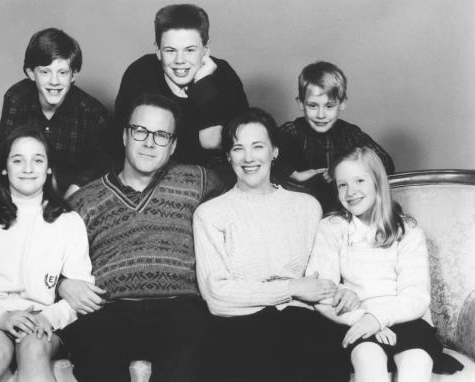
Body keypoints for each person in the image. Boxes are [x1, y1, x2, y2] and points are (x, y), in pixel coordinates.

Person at [58, 93, 223, 382]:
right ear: (125, 135)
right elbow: (44, 258)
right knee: (91, 342)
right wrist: (63, 284)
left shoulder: (198, 180)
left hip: (178, 307)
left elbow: (247, 191)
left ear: (173, 146)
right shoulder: (84, 200)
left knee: (193, 341)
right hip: (110, 310)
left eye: (161, 135)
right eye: (140, 131)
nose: (149, 142)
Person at [194, 107, 350, 382]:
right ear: (228, 155)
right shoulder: (210, 213)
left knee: (318, 349)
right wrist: (291, 288)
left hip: (303, 326)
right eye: (238, 148)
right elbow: (217, 296)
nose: (249, 158)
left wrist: (339, 293)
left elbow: (320, 282)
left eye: (258, 146)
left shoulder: (307, 207)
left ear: (274, 151)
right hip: (237, 329)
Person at [0, 125, 94, 382]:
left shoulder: (69, 222)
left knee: (33, 348)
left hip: (43, 317)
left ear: (49, 168)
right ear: (4, 167)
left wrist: (49, 317)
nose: (28, 169)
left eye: (37, 160)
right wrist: (0, 316)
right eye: (18, 160)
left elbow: (79, 292)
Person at [305, 147, 463, 382]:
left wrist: (378, 318)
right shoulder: (332, 228)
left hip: (405, 320)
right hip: (357, 321)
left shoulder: (408, 232)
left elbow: (416, 297)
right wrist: (363, 318)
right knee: (368, 358)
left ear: (378, 182)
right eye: (342, 184)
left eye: (359, 180)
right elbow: (320, 290)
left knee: (416, 362)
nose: (351, 192)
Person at [114, 3, 249, 185]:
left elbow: (217, 143)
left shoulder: (224, 76)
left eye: (190, 50)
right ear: (158, 51)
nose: (180, 61)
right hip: (153, 179)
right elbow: (125, 145)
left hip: (213, 180)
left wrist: (202, 85)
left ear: (206, 49)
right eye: (170, 50)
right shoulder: (139, 75)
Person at [0, 28, 113, 196]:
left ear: (73, 75)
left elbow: (99, 166)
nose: (54, 81)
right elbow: (6, 153)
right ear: (31, 73)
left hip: (73, 194)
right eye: (45, 72)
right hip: (23, 188)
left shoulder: (93, 113)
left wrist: (71, 196)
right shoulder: (16, 98)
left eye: (63, 73)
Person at [275, 61, 395, 212]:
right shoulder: (291, 132)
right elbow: (266, 158)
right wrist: (296, 174)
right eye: (312, 105)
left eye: (329, 106)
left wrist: (342, 168)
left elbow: (385, 162)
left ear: (342, 103)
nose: (321, 115)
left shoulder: (349, 133)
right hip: (296, 212)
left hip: (340, 213)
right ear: (300, 103)